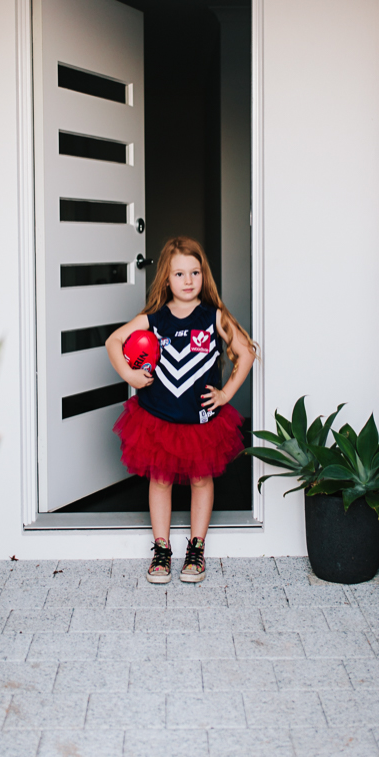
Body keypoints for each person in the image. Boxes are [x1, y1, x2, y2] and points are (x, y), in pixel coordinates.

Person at [106, 236, 256, 586]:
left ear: (203, 276)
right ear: (166, 279)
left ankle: (196, 548)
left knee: (201, 479)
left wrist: (226, 393)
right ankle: (161, 550)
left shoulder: (213, 316)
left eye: (195, 272)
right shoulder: (153, 319)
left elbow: (246, 352)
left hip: (200, 422)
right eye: (179, 274)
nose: (188, 281)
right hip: (157, 418)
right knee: (159, 480)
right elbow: (114, 341)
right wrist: (129, 374)